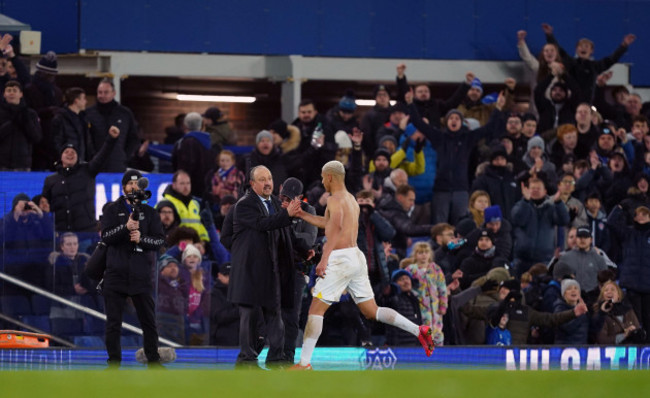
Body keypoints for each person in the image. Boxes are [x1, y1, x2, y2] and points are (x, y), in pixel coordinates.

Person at [291, 161, 435, 370]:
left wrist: (324, 259)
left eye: (323, 177)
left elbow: (336, 229)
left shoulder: (333, 199)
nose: (322, 181)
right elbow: (329, 223)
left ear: (330, 177)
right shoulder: (350, 200)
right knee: (371, 310)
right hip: (355, 257)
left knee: (315, 310)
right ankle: (419, 330)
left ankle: (304, 364)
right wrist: (303, 215)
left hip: (340, 259)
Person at [226, 166, 309, 367]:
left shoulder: (274, 203)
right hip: (249, 271)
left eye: (270, 178)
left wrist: (306, 249)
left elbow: (285, 233)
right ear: (252, 184)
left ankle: (276, 359)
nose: (267, 182)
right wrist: (242, 254)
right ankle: (246, 359)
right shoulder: (245, 205)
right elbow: (264, 224)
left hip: (271, 271)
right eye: (262, 179)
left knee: (275, 315)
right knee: (249, 316)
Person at [100, 169, 166, 367]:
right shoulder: (112, 210)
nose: (134, 187)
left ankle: (153, 361)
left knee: (149, 322)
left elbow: (160, 241)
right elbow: (106, 236)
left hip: (140, 274)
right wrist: (125, 228)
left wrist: (142, 239)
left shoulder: (150, 212)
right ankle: (114, 362)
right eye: (130, 183)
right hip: (115, 273)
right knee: (113, 323)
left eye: (137, 184)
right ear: (123, 187)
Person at [42, 125, 119, 234]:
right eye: (66, 151)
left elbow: (102, 156)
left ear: (78, 157)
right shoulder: (50, 180)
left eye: (73, 152)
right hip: (61, 234)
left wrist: (111, 139)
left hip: (86, 233)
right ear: (61, 157)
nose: (70, 154)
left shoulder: (87, 171)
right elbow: (44, 204)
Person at [86, 78, 139, 172]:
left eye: (106, 92)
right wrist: (92, 156)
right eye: (100, 92)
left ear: (114, 93)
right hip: (94, 165)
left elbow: (133, 138)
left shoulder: (125, 113)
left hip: (117, 165)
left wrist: (124, 157)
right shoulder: (88, 114)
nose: (102, 95)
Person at [404, 242, 448, 346]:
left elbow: (442, 288)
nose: (424, 255)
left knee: (437, 331)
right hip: (420, 307)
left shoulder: (436, 269)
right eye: (420, 253)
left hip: (435, 308)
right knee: (423, 330)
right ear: (415, 255)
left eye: (426, 252)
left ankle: (438, 352)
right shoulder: (411, 269)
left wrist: (443, 305)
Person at [0, 80, 41, 170]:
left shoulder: (30, 113)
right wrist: (13, 122)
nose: (11, 93)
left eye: (14, 90)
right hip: (2, 162)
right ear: (4, 94)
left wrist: (25, 118)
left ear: (21, 94)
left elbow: (36, 137)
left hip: (22, 162)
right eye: (9, 90)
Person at [171, 112, 214, 197]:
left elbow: (179, 167)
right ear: (201, 125)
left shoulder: (183, 143)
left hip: (189, 192)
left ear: (185, 125)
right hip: (207, 190)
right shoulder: (212, 144)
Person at [162, 170, 209, 241]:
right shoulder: (165, 204)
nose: (186, 187)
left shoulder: (195, 203)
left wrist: (204, 241)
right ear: (174, 185)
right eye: (182, 183)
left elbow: (200, 225)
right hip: (175, 246)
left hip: (196, 246)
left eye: (188, 183)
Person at [592, 280, 643, 345]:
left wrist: (634, 332)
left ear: (618, 296)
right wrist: (624, 335)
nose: (609, 292)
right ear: (602, 297)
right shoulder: (599, 315)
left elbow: (638, 332)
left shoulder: (629, 311)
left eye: (613, 290)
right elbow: (602, 340)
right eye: (606, 290)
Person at [51, 87, 93, 162]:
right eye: (83, 98)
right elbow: (56, 142)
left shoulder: (83, 119)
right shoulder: (60, 119)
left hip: (81, 162)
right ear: (76, 100)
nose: (86, 102)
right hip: (67, 164)